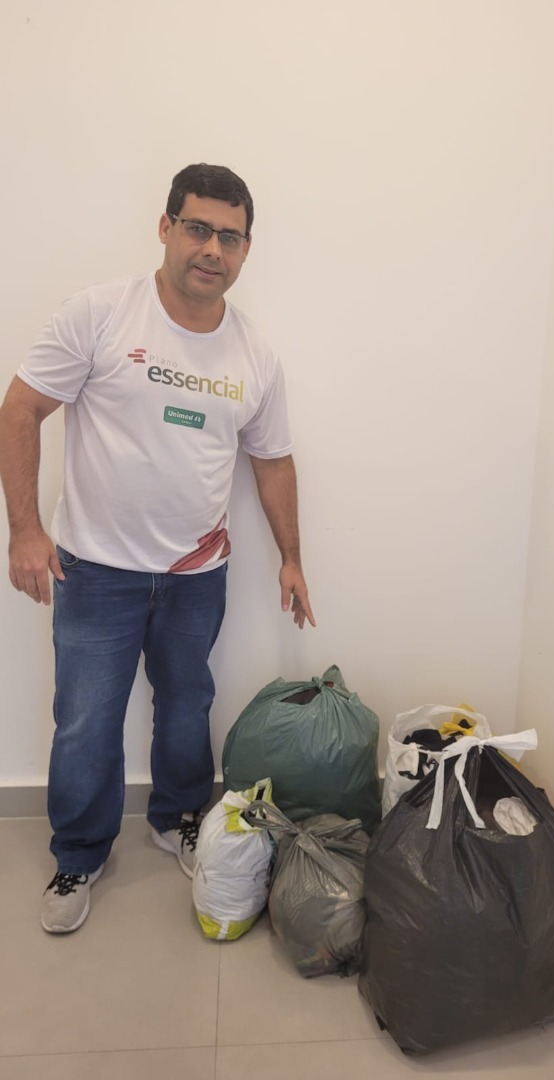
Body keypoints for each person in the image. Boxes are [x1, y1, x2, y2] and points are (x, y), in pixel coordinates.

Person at [0, 163, 315, 934]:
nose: (213, 249)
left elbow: (272, 461)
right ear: (167, 227)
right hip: (95, 571)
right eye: (199, 228)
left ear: (246, 249)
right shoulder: (102, 314)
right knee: (85, 719)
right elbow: (20, 410)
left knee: (187, 705)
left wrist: (292, 557)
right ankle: (79, 852)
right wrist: (26, 532)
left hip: (196, 576)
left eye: (230, 237)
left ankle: (177, 817)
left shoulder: (254, 354)